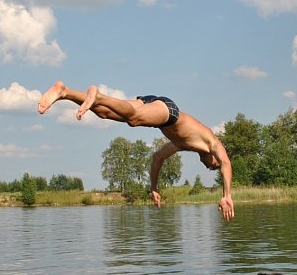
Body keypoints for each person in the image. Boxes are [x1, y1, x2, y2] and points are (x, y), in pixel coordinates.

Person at [37, 81, 234, 220]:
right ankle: (99, 95)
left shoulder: (184, 145)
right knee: (134, 119)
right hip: (169, 111)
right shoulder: (213, 142)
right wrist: (227, 196)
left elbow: (157, 158)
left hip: (151, 104)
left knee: (104, 113)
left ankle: (64, 92)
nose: (210, 167)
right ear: (215, 157)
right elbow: (226, 162)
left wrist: (154, 188)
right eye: (213, 166)